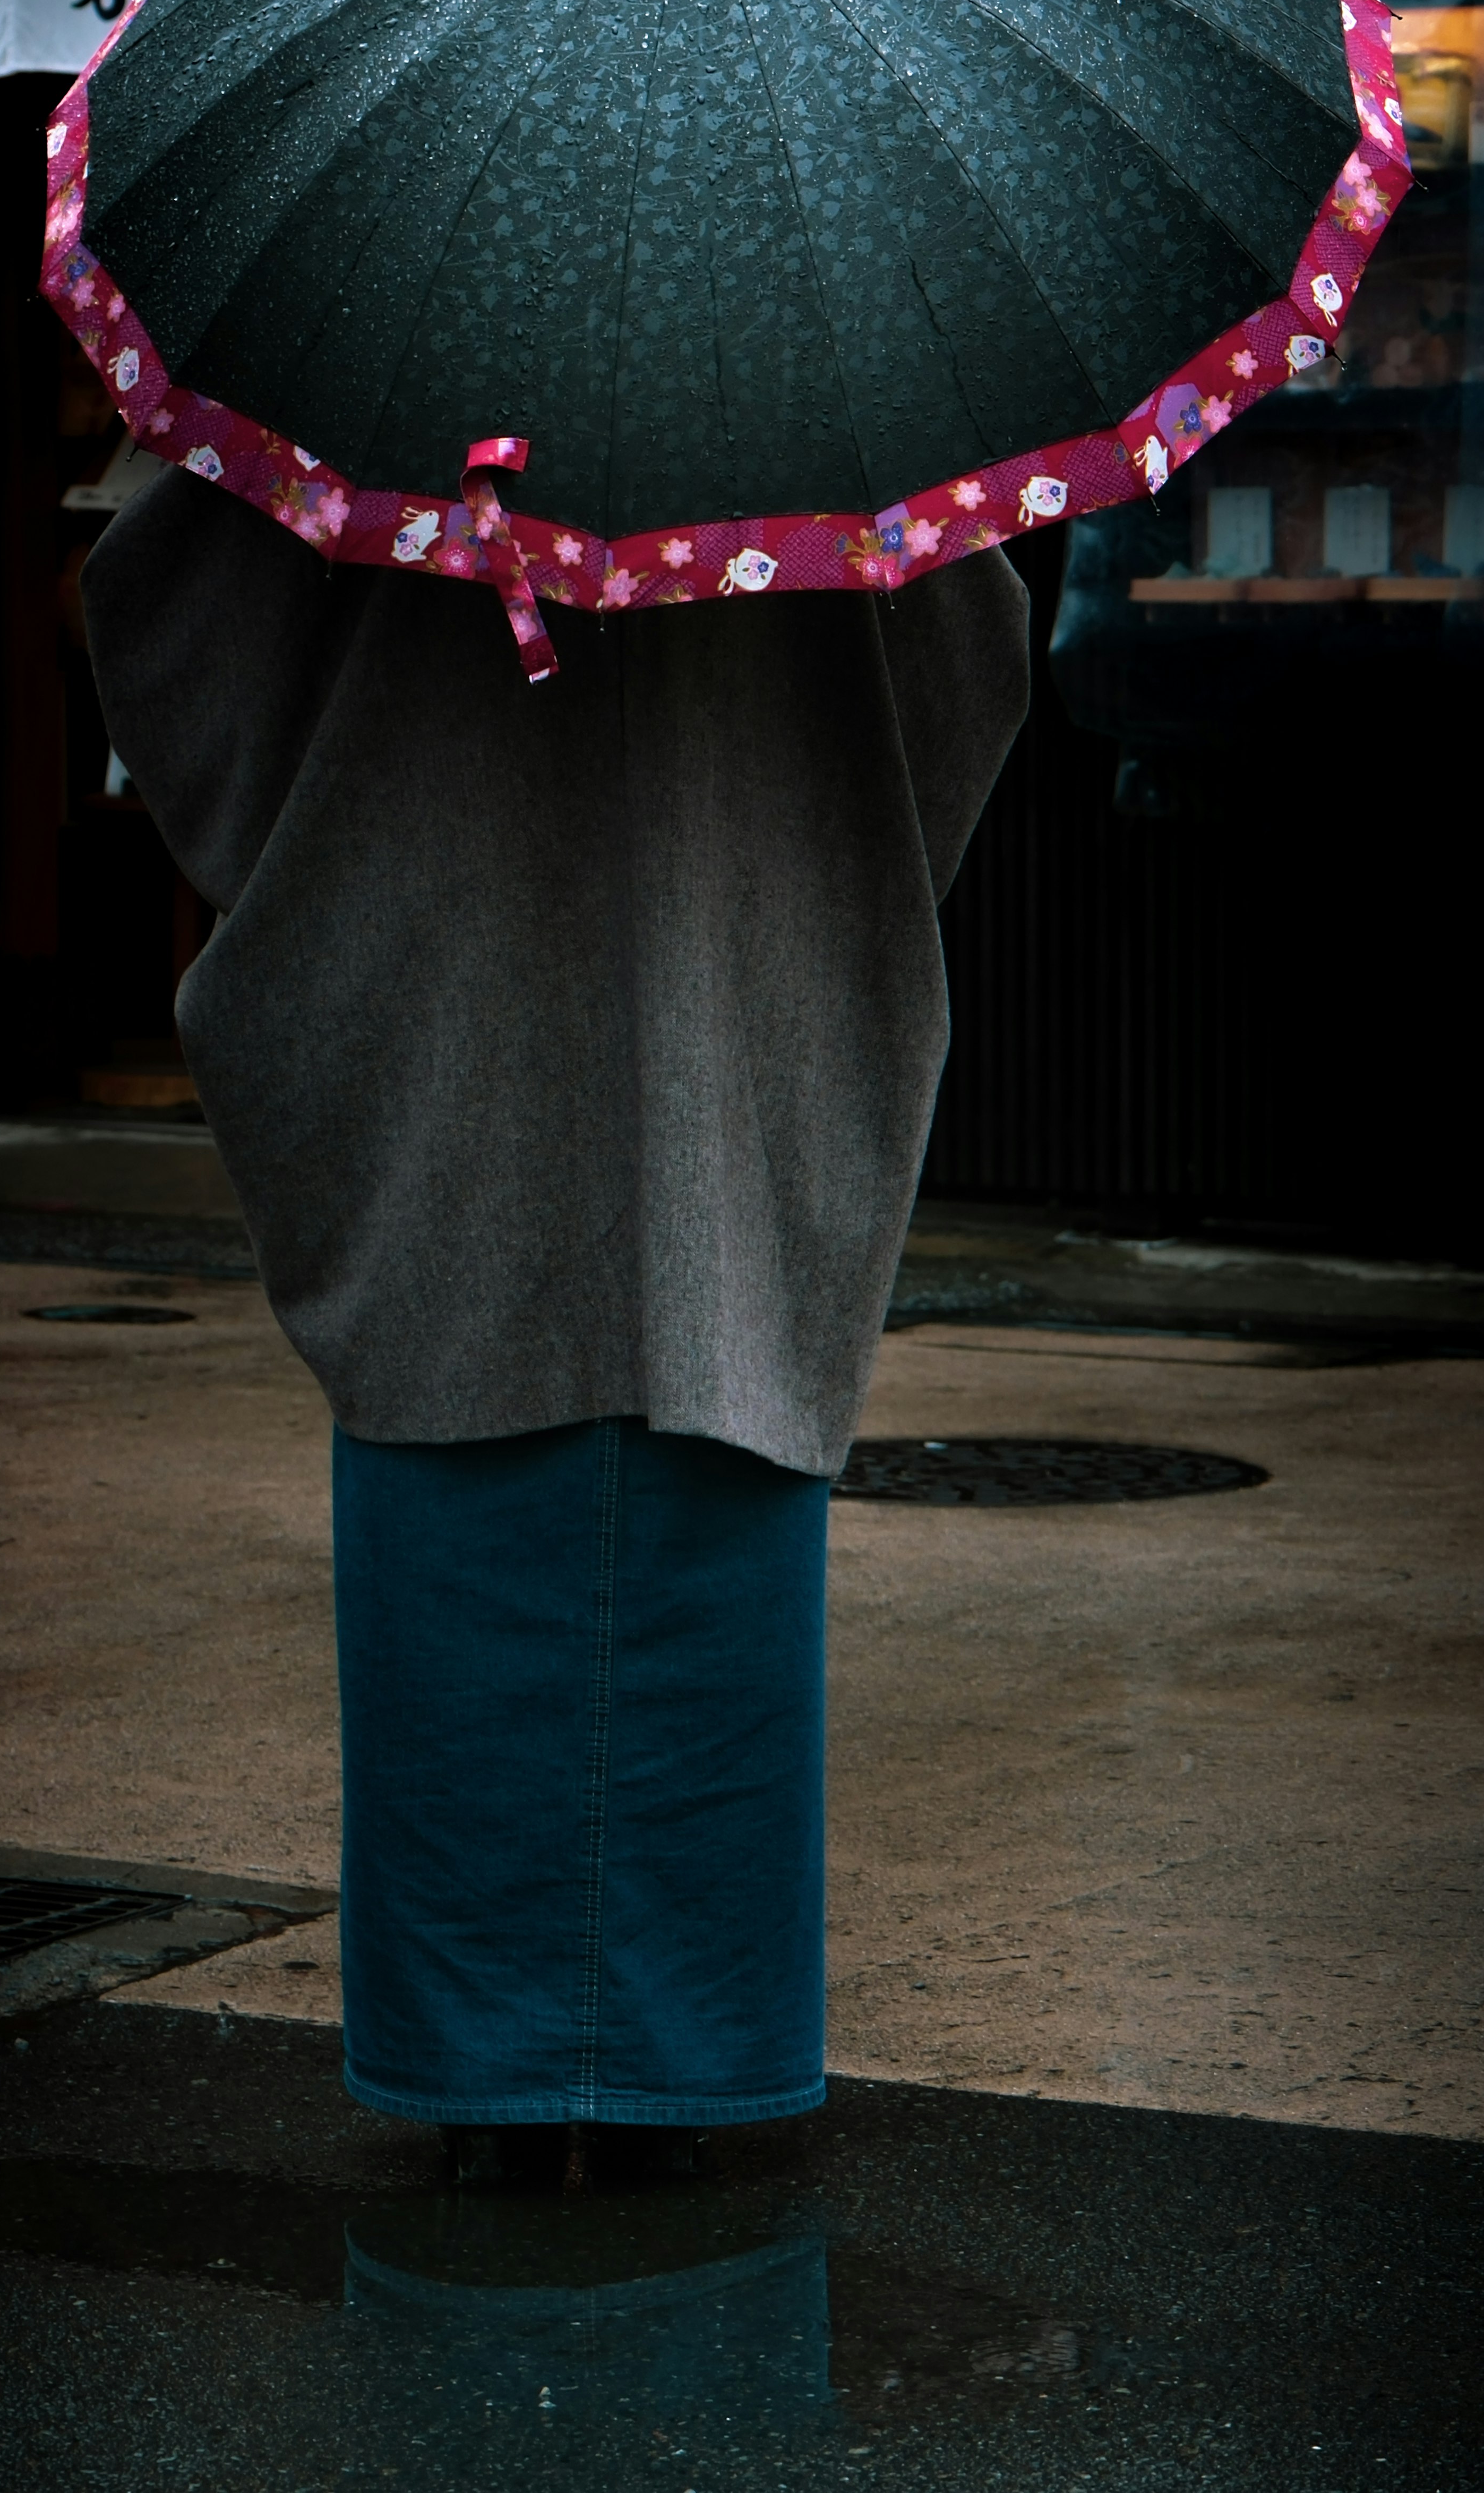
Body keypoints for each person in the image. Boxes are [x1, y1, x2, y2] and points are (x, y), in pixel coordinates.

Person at [85, 474, 1030, 2182]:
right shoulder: (817, 377)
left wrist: (321, 801)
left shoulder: (367, 326)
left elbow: (166, 610)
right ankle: (694, 2055)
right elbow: (965, 645)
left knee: (462, 1454)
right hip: (732, 959)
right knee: (705, 1448)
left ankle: (483, 2067)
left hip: (433, 955)